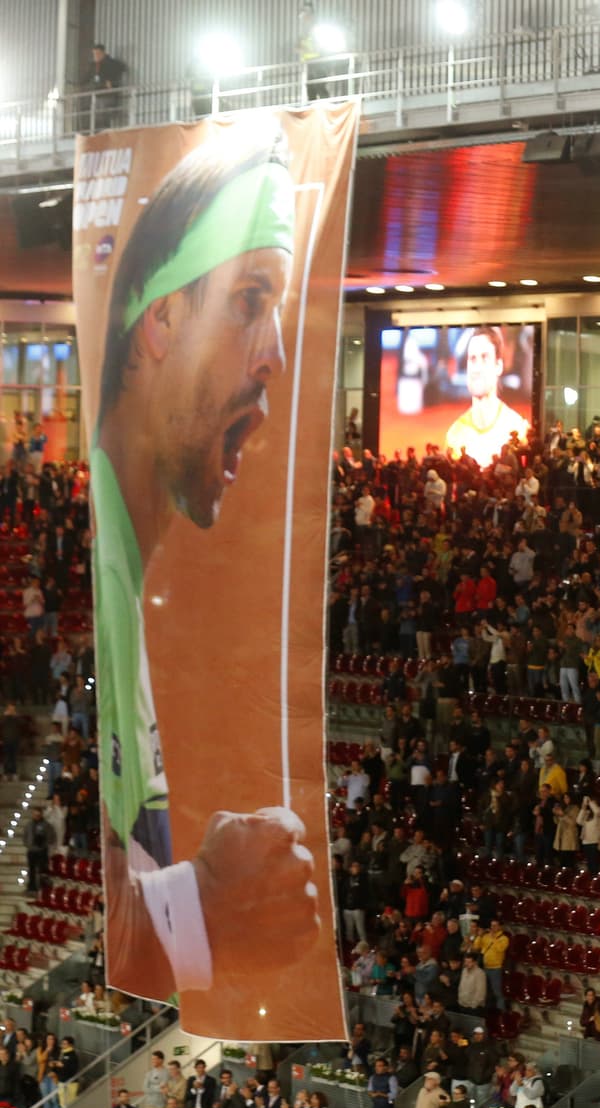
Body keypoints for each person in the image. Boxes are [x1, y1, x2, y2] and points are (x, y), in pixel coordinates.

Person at [92, 124, 321, 1000]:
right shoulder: (110, 571)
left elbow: (149, 942)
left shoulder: (120, 562)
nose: (275, 357)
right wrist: (210, 904)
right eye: (247, 298)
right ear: (161, 320)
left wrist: (198, 916)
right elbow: (125, 925)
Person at [444, 328, 528, 468]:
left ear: (498, 366)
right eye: (472, 359)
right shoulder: (454, 435)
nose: (477, 369)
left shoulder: (518, 429)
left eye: (485, 358)